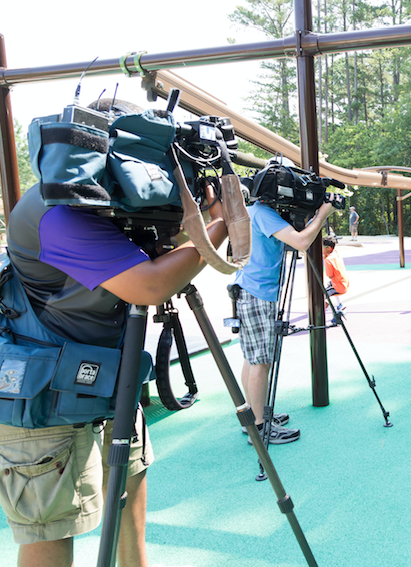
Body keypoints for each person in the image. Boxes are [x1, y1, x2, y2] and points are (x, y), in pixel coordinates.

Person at [0, 178, 227, 564]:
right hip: (42, 404)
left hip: (105, 384)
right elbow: (152, 284)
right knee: (51, 529)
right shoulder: (58, 211)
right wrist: (220, 225)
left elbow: (161, 256)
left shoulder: (106, 209)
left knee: (127, 490)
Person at [233, 196, 339, 445]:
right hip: (259, 293)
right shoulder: (263, 213)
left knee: (252, 358)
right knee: (262, 361)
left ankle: (254, 417)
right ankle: (259, 428)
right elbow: (302, 242)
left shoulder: (249, 210)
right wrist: (323, 214)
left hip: (246, 289)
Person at [322, 237, 349, 322]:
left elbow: (330, 275)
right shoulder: (336, 253)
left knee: (319, 297)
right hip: (344, 282)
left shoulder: (328, 260)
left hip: (338, 286)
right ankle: (339, 304)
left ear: (328, 248)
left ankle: (338, 311)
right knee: (329, 284)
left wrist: (325, 258)